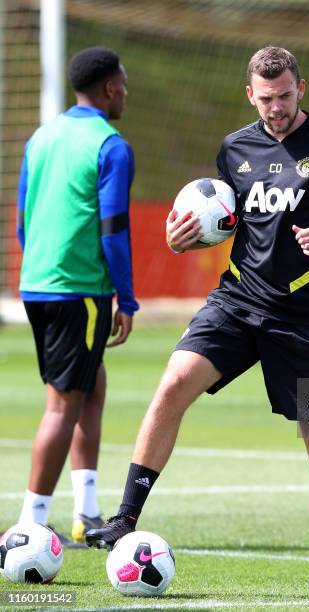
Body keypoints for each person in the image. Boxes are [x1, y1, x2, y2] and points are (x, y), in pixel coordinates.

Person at [86, 46, 309, 597]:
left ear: (302, 88)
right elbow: (221, 220)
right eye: (266, 99)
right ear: (251, 94)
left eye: (286, 96)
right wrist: (183, 236)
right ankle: (125, 516)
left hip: (304, 315)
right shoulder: (234, 149)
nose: (276, 108)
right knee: (172, 384)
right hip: (238, 302)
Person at [16, 47, 139, 544]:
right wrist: (125, 299)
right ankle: (30, 525)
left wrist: (44, 266)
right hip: (79, 289)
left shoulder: (41, 137)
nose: (126, 92)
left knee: (92, 386)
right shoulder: (111, 145)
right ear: (110, 87)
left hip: (38, 281)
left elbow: (24, 219)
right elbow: (113, 231)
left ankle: (88, 513)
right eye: (124, 83)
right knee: (63, 405)